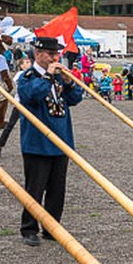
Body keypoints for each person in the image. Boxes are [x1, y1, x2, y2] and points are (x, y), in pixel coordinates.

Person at [17, 36, 84, 246]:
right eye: (51, 54)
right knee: (34, 188)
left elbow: (75, 99)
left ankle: (52, 227)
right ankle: (29, 228)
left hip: (61, 139)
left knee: (57, 189)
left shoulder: (58, 76)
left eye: (57, 54)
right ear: (38, 54)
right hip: (37, 142)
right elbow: (31, 95)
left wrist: (70, 83)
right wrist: (47, 76)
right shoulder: (27, 76)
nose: (56, 58)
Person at [0, 57, 32, 159]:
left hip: (30, 105)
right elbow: (18, 84)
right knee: (10, 125)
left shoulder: (34, 74)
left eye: (29, 62)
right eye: (26, 62)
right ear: (22, 66)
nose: (29, 64)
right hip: (19, 104)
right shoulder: (21, 75)